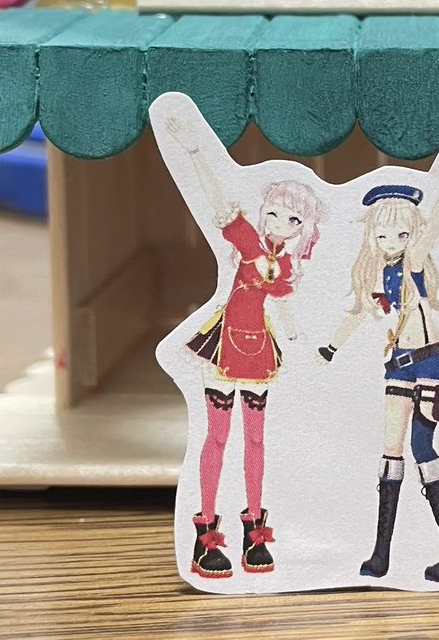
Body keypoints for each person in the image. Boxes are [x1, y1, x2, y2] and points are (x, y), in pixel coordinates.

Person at [165, 116, 325, 579]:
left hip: (259, 350)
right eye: (273, 213)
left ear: (303, 228)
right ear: (263, 211)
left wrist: (303, 341)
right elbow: (216, 199)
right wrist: (194, 150)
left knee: (256, 438)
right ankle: (205, 531)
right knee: (216, 435)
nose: (280, 224)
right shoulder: (247, 241)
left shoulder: (288, 266)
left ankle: (254, 527)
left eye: (293, 219)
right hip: (224, 344)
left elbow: (286, 308)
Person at [318, 149, 439, 584]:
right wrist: (330, 347)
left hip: (431, 359)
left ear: (412, 234)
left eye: (401, 234)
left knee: (423, 447)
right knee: (390, 452)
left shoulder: (414, 263)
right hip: (398, 363)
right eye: (383, 235)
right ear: (372, 235)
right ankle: (381, 555)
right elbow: (359, 312)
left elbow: (437, 225)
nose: (392, 242)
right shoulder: (376, 274)